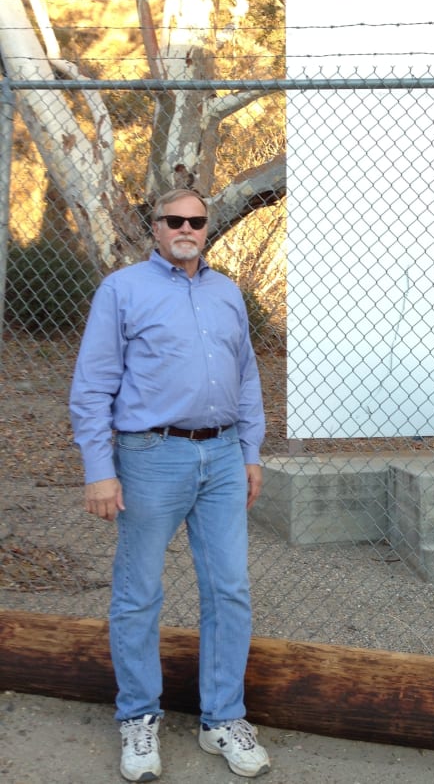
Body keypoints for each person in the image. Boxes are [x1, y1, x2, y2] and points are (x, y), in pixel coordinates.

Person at [70, 188, 271, 781]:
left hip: (223, 456)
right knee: (139, 592)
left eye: (196, 221)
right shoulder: (123, 290)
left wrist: (250, 452)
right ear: (154, 228)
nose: (186, 228)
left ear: (207, 228)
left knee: (229, 589)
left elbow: (247, 377)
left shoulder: (227, 292)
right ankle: (137, 720)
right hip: (150, 457)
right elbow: (92, 385)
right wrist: (98, 468)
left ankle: (222, 720)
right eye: (173, 220)